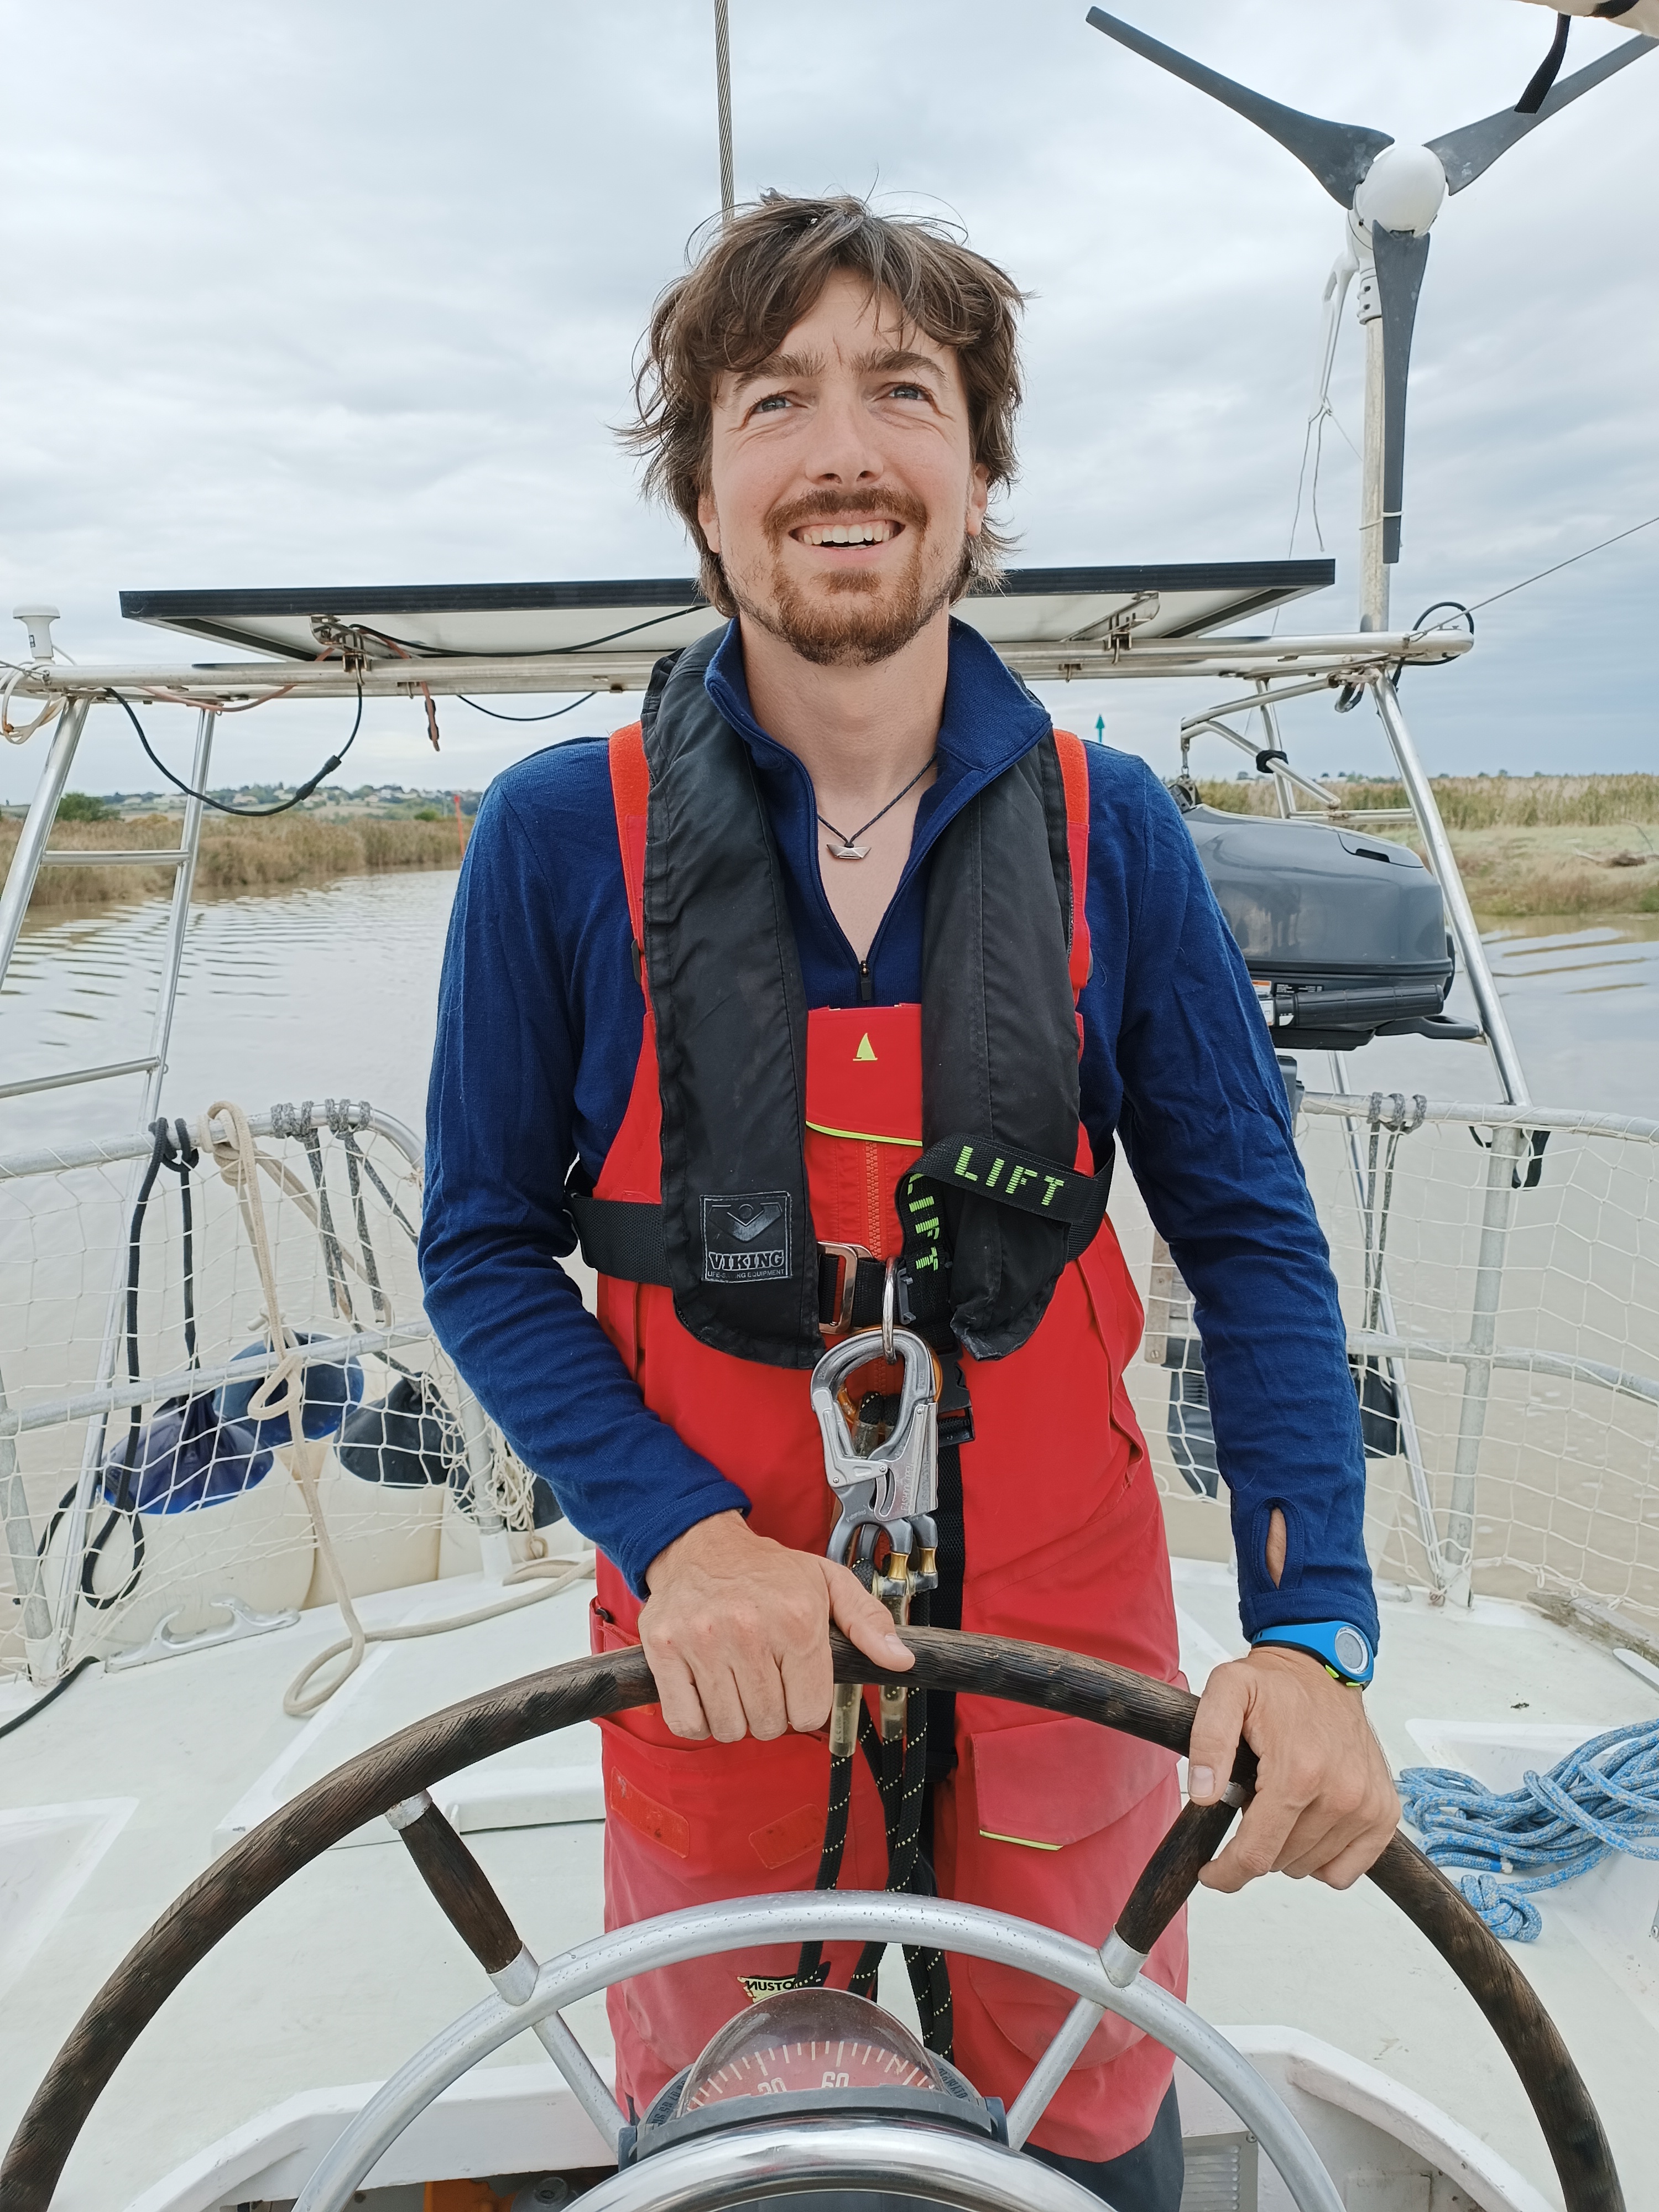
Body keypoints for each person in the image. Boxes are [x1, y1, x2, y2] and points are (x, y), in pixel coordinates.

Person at [420, 191, 1399, 2210]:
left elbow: (1251, 1240)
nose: (844, 451)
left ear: (978, 470)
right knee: (730, 2140)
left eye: (905, 392)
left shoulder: (1116, 833)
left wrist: (1311, 1633)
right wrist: (682, 1539)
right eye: (774, 400)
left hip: (1071, 1639)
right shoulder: (551, 841)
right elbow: (481, 1250)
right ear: (705, 492)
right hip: (715, 1646)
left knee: (1097, 2118)